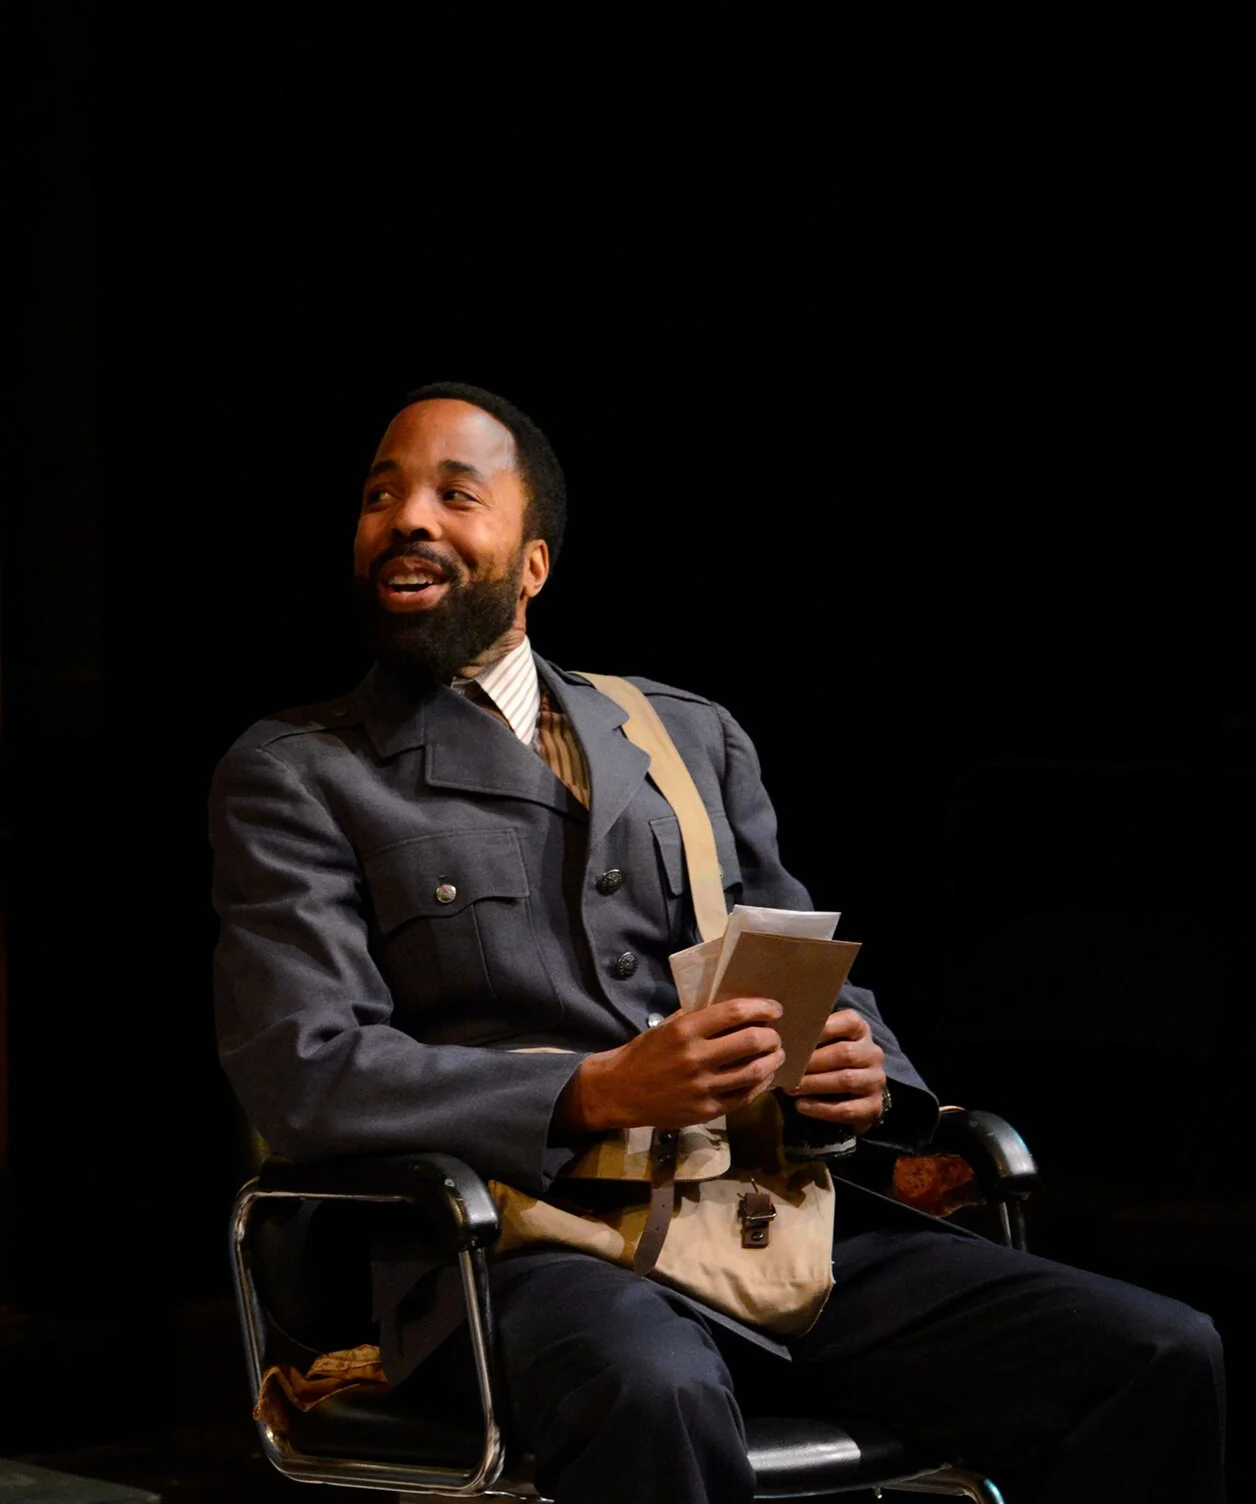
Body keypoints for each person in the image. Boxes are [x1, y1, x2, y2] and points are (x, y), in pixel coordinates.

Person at [209, 383, 1226, 1503]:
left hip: (759, 1227)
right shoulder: (300, 770)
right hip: (519, 1255)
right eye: (379, 495)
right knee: (655, 1391)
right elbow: (305, 1069)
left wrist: (857, 1078)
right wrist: (591, 1091)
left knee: (1156, 1353)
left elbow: (795, 959)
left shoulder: (683, 735)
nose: (407, 517)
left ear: (531, 562)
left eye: (455, 493)